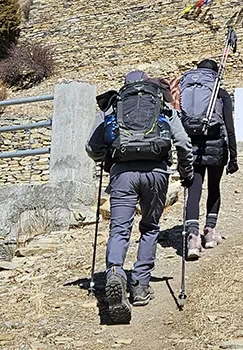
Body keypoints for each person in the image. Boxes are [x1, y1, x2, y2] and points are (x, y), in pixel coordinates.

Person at [87, 70, 194, 323]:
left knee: (119, 228)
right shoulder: (162, 104)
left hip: (122, 173)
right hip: (156, 172)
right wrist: (186, 171)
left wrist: (106, 160)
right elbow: (183, 142)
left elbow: (91, 147)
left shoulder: (113, 106)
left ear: (124, 86)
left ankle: (114, 271)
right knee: (149, 227)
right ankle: (140, 285)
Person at [177, 59, 239, 260]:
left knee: (194, 190)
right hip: (216, 147)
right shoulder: (220, 94)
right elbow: (229, 127)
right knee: (214, 187)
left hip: (192, 146)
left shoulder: (187, 91)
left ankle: (193, 239)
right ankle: (210, 233)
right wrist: (233, 156)